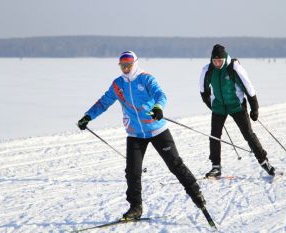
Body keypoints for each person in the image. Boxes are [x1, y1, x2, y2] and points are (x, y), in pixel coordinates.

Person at [78, 51, 206, 220]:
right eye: (122, 65)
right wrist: (88, 116)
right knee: (132, 171)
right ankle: (135, 207)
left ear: (135, 64)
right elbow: (104, 102)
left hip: (156, 129)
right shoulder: (118, 84)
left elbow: (161, 95)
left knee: (175, 164)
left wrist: (158, 107)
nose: (125, 68)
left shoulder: (146, 79)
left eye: (128, 65)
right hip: (135, 133)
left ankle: (197, 195)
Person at [199, 44, 276, 178]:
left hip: (236, 106)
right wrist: (210, 104)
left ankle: (264, 161)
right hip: (219, 107)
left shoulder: (234, 68)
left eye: (219, 61)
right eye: (214, 61)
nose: (217, 63)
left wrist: (254, 108)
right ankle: (216, 167)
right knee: (214, 136)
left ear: (224, 59)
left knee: (248, 134)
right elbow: (203, 91)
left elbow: (249, 87)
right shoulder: (207, 70)